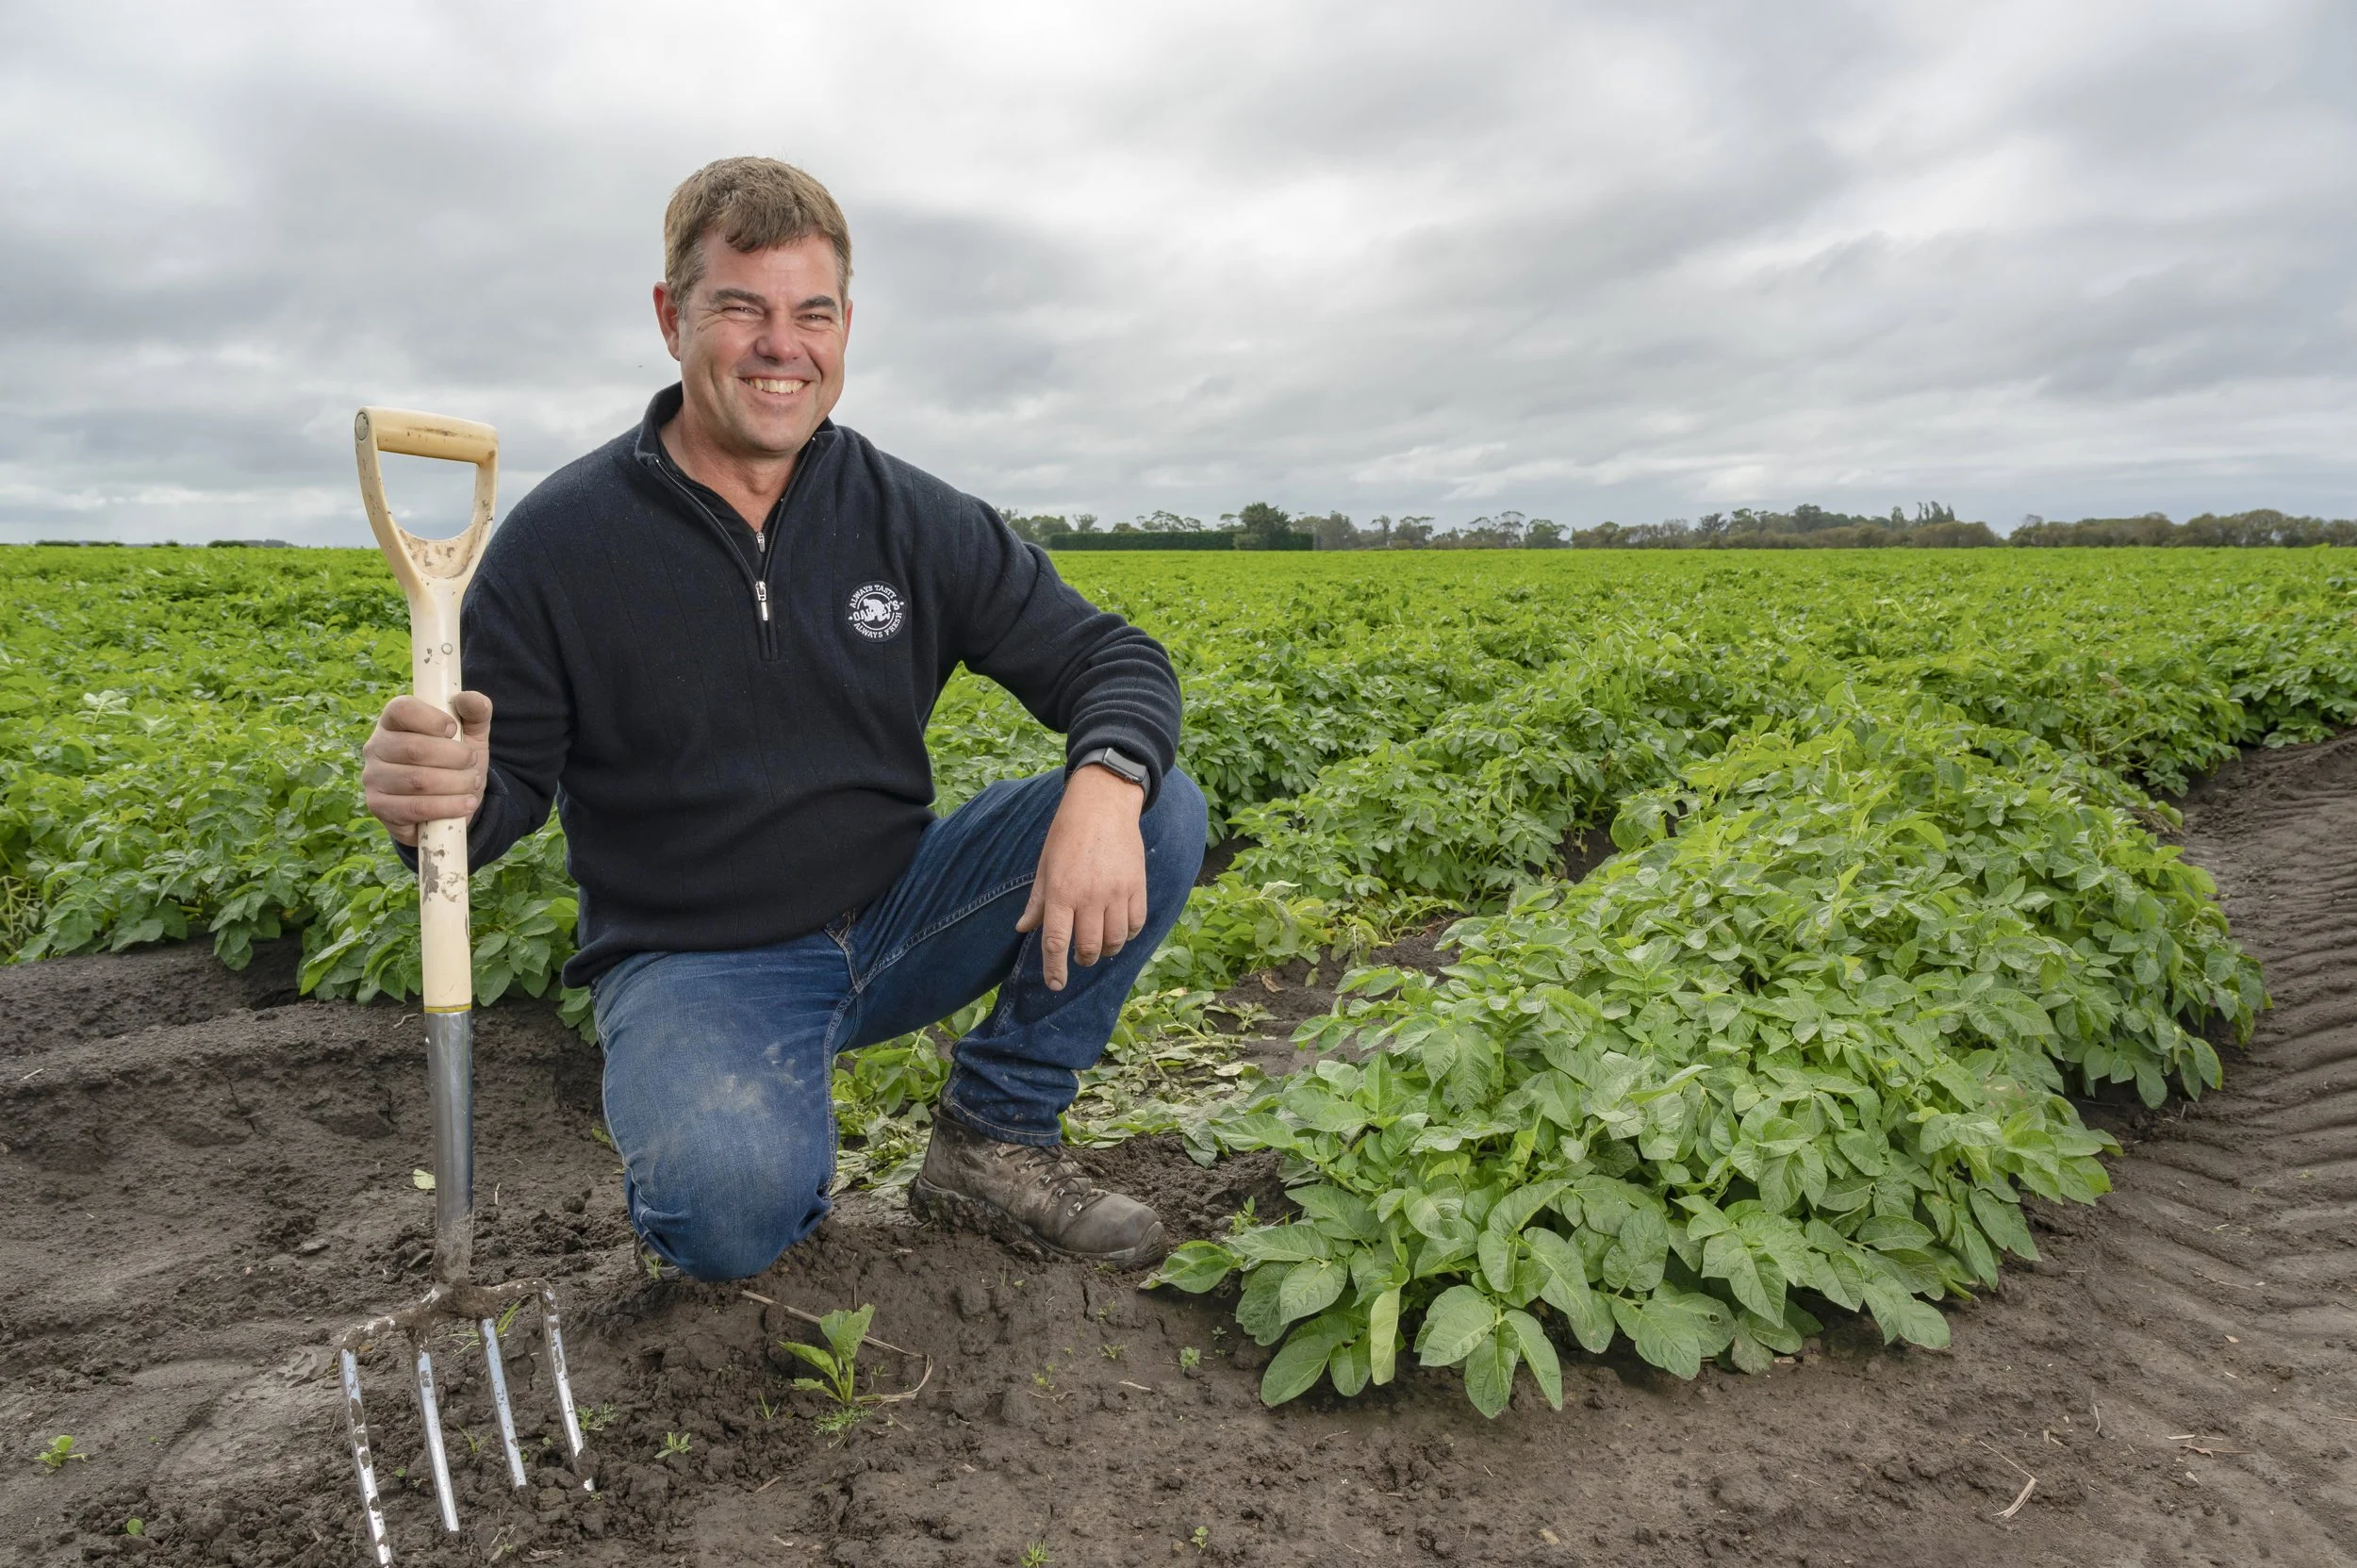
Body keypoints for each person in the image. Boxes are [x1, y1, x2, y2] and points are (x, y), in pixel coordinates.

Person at [358, 157, 1203, 1282]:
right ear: (671, 319)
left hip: (899, 914)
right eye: (739, 309)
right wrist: (438, 802)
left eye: (811, 313)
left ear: (845, 325)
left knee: (1155, 806)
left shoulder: (912, 516)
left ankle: (995, 1136)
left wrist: (1106, 781)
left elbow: (1112, 657)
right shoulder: (561, 544)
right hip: (697, 960)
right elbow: (501, 788)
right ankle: (746, 1132)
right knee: (729, 1215)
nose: (780, 345)